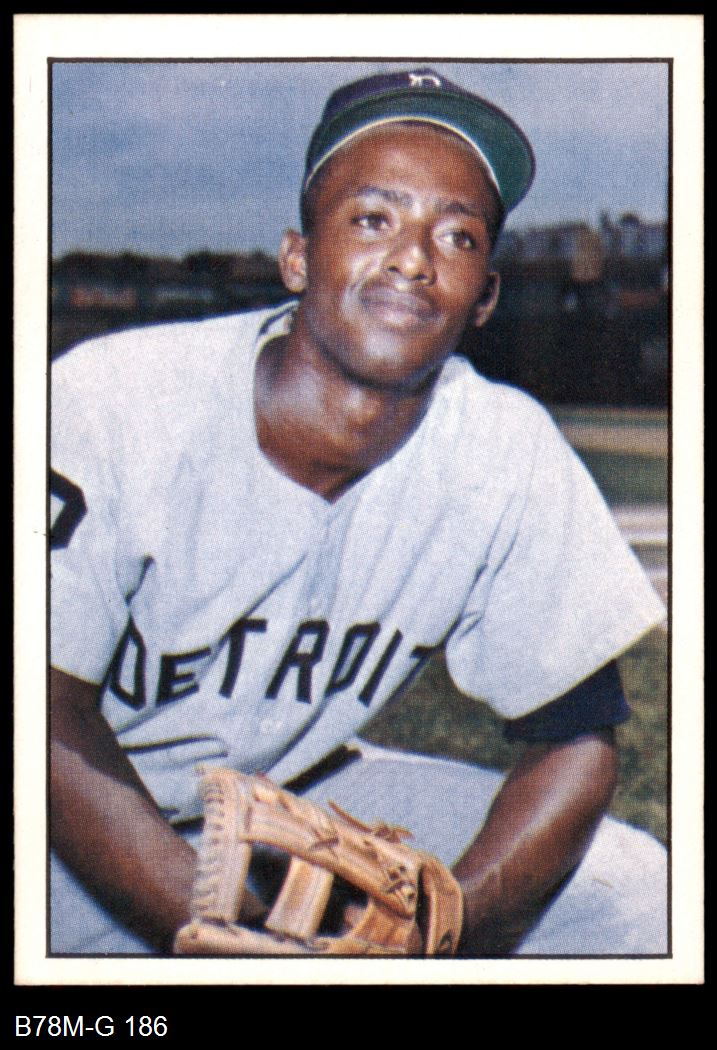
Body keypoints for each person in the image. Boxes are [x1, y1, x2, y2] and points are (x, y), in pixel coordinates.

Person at [50, 67, 667, 957]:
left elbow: (576, 740)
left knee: (635, 891)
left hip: (290, 793)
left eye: (456, 236)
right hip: (66, 817)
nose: (413, 258)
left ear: (484, 295)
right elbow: (43, 718)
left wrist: (446, 932)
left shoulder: (503, 447)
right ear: (298, 258)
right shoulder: (114, 401)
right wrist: (225, 936)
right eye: (373, 219)